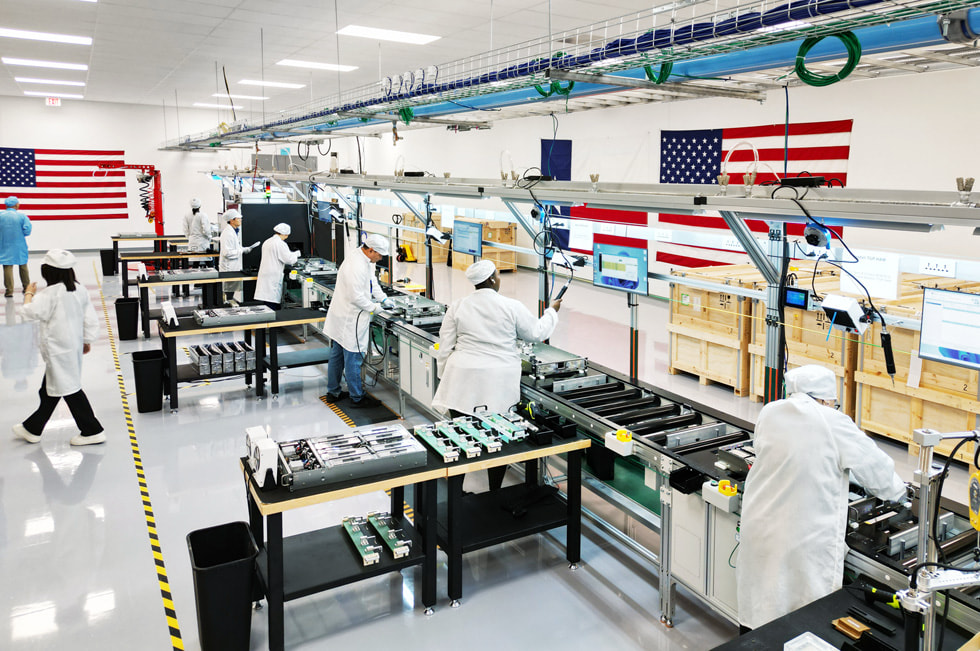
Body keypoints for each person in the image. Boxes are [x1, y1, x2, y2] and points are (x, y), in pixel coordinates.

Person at [736, 365, 906, 631]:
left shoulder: (770, 411)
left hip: (759, 527)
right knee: (803, 623)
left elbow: (797, 454)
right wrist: (901, 494)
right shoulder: (832, 421)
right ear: (827, 399)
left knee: (760, 614)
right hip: (801, 541)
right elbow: (878, 472)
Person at [432, 259, 561, 418]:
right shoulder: (511, 306)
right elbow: (536, 333)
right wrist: (552, 312)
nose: (499, 279)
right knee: (495, 431)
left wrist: (444, 374)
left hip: (461, 380)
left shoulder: (457, 306)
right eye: (497, 275)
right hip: (498, 380)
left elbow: (444, 347)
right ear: (491, 279)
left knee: (462, 433)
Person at [12, 249, 105, 446]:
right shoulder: (79, 290)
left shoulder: (51, 294)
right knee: (50, 389)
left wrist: (29, 293)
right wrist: (86, 340)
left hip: (57, 350)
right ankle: (33, 428)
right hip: (72, 348)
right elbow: (90, 319)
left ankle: (92, 430)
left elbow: (29, 312)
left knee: (69, 389)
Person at [323, 234, 390, 408]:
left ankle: (333, 391)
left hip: (342, 315)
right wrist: (374, 308)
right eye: (379, 255)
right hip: (351, 317)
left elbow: (372, 281)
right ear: (371, 250)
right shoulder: (356, 265)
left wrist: (383, 298)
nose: (380, 258)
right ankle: (357, 397)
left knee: (337, 355)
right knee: (354, 357)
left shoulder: (361, 257)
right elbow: (356, 297)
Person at [253, 223, 300, 309]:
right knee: (271, 302)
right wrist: (296, 254)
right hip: (273, 276)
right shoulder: (280, 244)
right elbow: (288, 259)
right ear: (285, 234)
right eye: (287, 235)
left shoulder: (268, 241)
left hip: (266, 274)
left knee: (267, 301)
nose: (287, 237)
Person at [217, 209, 259, 302]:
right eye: (238, 218)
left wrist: (244, 249)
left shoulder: (233, 231)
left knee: (230, 291)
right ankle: (225, 307)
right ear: (232, 220)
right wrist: (242, 251)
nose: (241, 220)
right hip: (229, 267)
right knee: (228, 291)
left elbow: (235, 247)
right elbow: (227, 253)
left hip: (233, 267)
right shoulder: (228, 233)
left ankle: (228, 304)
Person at [0, 196, 33, 297]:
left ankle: (9, 290)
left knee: (7, 267)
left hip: (4, 244)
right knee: (23, 266)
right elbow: (27, 231)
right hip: (19, 245)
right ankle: (26, 287)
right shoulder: (22, 217)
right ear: (16, 204)